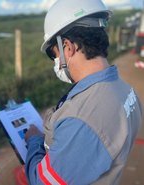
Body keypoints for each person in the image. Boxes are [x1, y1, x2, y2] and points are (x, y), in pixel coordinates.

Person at [24, 0, 142, 184]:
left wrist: (33, 142)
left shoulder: (82, 118)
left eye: (53, 54)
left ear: (68, 48)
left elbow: (42, 181)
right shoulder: (126, 91)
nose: (55, 61)